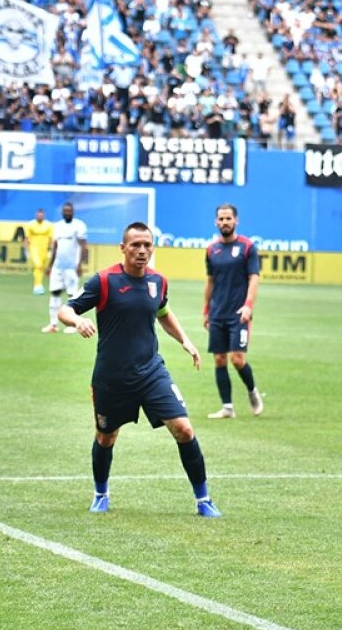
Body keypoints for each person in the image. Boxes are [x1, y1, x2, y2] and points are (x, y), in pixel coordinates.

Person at [57, 222, 221, 518]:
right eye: (135, 245)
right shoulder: (103, 281)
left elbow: (163, 313)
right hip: (111, 379)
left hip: (151, 373)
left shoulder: (158, 282)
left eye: (147, 245)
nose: (142, 250)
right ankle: (100, 493)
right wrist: (77, 321)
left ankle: (204, 500)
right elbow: (65, 309)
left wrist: (185, 340)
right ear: (123, 248)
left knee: (184, 429)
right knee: (106, 437)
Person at [203, 203, 264, 418]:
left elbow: (253, 279)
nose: (224, 222)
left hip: (239, 313)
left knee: (237, 359)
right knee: (219, 359)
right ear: (215, 222)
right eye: (221, 219)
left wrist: (248, 306)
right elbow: (210, 281)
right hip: (218, 312)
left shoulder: (248, 248)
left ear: (236, 220)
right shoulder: (212, 250)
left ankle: (252, 391)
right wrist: (206, 310)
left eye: (228, 218)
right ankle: (227, 407)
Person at [42, 202, 89, 333]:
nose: (67, 212)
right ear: (62, 212)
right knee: (55, 293)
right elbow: (55, 247)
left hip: (72, 267)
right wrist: (50, 266)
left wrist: (80, 264)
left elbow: (83, 245)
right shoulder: (57, 227)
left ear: (73, 212)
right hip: (58, 266)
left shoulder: (79, 226)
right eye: (65, 211)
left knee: (72, 295)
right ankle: (53, 324)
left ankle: (72, 325)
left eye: (69, 211)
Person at [23, 207, 53, 295]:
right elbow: (26, 238)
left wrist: (51, 250)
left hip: (44, 249)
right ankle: (37, 286)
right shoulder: (30, 225)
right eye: (38, 214)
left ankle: (38, 286)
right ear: (36, 215)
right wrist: (26, 250)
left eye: (41, 214)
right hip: (34, 248)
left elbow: (51, 239)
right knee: (38, 265)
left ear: (44, 215)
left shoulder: (49, 225)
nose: (40, 216)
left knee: (41, 267)